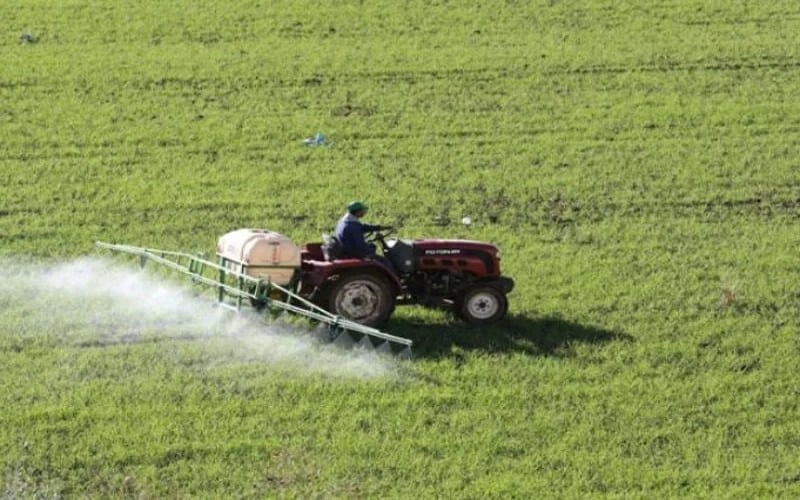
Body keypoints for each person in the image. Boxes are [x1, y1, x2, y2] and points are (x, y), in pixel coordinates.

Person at [334, 201, 394, 269]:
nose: (364, 212)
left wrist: (379, 227)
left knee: (371, 246)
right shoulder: (353, 226)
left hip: (345, 248)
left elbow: (362, 227)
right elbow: (360, 245)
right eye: (362, 211)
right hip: (351, 252)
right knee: (384, 261)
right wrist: (371, 249)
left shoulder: (344, 221)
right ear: (357, 212)